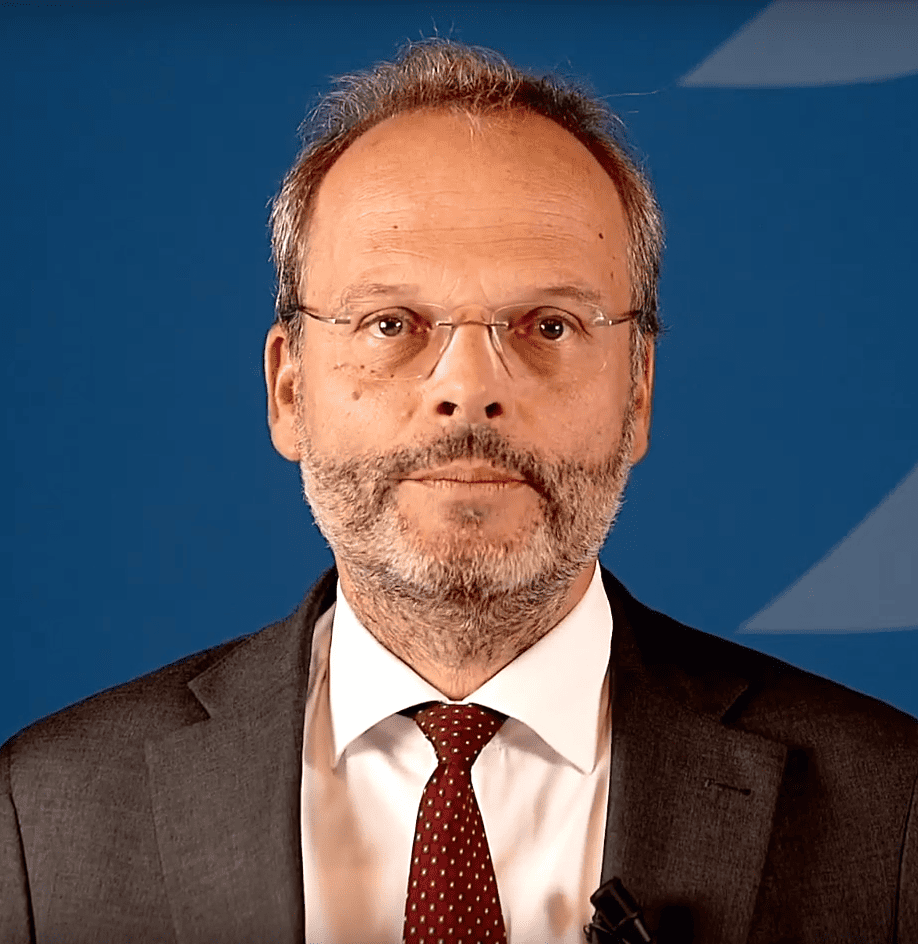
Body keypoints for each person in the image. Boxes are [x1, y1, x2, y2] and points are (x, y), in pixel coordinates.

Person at [1, 38, 916, 944]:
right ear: (288, 391)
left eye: (548, 325)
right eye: (390, 322)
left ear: (637, 393)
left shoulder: (893, 811)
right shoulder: (43, 818)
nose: (469, 388)